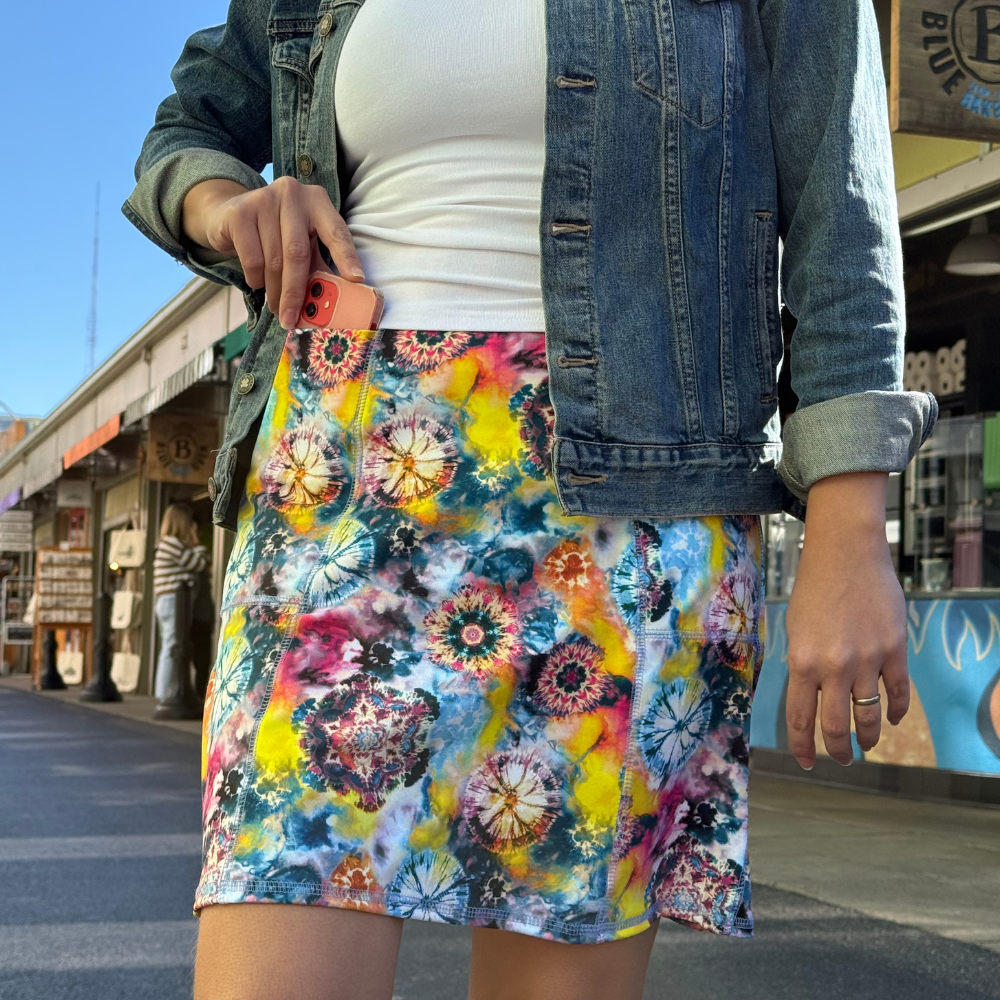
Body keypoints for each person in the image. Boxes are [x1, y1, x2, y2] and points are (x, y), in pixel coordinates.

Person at [123, 2, 937, 998]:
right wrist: (224, 204)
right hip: (334, 485)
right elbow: (188, 127)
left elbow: (839, 216)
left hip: (628, 505)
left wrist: (851, 529)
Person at [152, 504, 208, 703]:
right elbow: (200, 563)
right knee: (171, 647)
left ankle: (167, 691)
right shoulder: (171, 543)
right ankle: (164, 694)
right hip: (172, 601)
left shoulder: (168, 544)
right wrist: (196, 541)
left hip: (171, 601)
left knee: (172, 646)